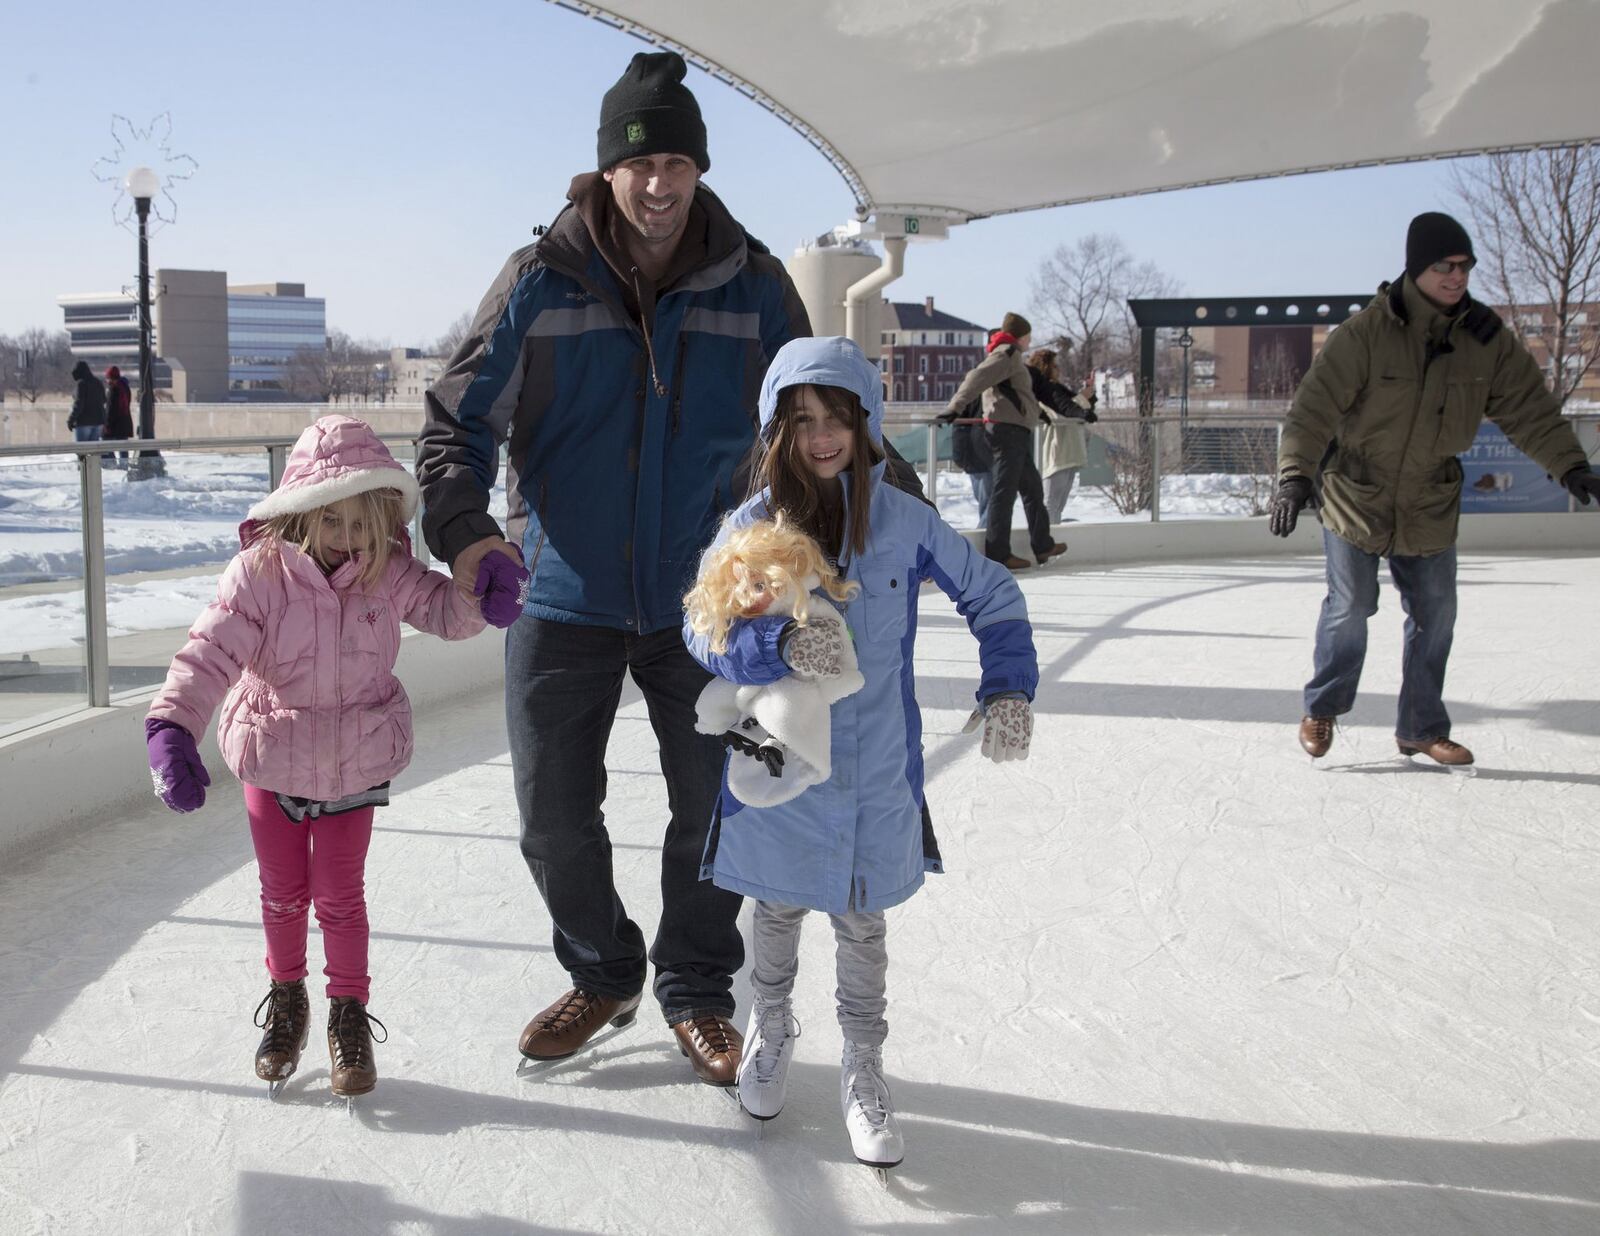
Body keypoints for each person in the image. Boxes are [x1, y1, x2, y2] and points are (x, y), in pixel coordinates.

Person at [415, 50, 811, 1087]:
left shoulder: (755, 284)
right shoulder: (539, 281)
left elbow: (818, 422)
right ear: (604, 172)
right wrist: (466, 533)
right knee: (551, 814)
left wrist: (880, 522)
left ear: (699, 169)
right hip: (561, 593)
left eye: (678, 159)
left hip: (709, 602)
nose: (659, 182)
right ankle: (601, 971)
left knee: (717, 803)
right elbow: (455, 424)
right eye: (640, 162)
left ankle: (694, 988)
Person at [684, 336, 1038, 1171]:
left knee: (860, 920)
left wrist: (1009, 685)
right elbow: (704, 628)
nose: (820, 436)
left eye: (836, 416)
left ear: (865, 421)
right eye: (801, 419)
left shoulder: (905, 523)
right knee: (774, 907)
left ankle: (863, 1069)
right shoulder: (752, 525)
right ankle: (769, 1034)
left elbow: (994, 594)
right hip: (778, 763)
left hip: (876, 770)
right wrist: (772, 652)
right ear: (778, 428)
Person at [143, 415, 501, 1097]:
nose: (347, 540)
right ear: (301, 512)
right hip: (272, 758)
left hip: (354, 761)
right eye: (332, 522)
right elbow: (210, 653)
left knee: (340, 898)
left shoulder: (386, 571)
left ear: (381, 523)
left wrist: (480, 592)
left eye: (362, 525)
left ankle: (348, 1013)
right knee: (282, 895)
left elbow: (444, 613)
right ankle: (287, 1000)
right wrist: (172, 724)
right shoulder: (258, 576)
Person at [1270, 211, 1599, 766]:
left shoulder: (1485, 339)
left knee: (1436, 615)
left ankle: (1420, 727)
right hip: (1356, 494)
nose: (1457, 276)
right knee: (1351, 608)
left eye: (1465, 266)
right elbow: (1312, 410)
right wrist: (1294, 477)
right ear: (1416, 267)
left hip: (1429, 498)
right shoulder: (1365, 334)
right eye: (1445, 266)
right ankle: (1322, 706)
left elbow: (1528, 409)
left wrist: (1570, 465)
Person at [942, 313, 1065, 570]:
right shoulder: (1006, 353)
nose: (1030, 341)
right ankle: (998, 552)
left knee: (1032, 489)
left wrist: (1037, 412)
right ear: (1021, 336)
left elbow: (1014, 393)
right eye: (1029, 336)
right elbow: (977, 378)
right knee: (1004, 491)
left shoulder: (1010, 355)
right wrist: (955, 407)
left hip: (1016, 430)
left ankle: (1043, 546)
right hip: (1006, 432)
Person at [1026, 349, 1098, 521]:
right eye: (1055, 365)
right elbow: (1060, 411)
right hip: (1056, 450)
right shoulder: (1043, 390)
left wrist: (1088, 395)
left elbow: (1080, 411)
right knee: (1050, 502)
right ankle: (1048, 538)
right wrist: (1083, 397)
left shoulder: (1058, 388)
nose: (1058, 369)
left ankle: (1054, 535)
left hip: (1069, 450)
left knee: (1059, 504)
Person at [66, 361, 105, 445]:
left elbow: (79, 404)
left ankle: (84, 459)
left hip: (83, 422)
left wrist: (71, 420)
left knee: (82, 452)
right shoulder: (98, 382)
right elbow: (104, 400)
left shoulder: (81, 384)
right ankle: (90, 459)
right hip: (98, 421)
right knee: (93, 453)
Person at [103, 365, 135, 466]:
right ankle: (124, 466)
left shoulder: (113, 389)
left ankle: (112, 466)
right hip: (125, 422)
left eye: (107, 378)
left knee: (106, 444)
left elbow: (110, 409)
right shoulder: (125, 387)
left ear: (111, 378)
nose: (107, 381)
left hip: (115, 424)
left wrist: (106, 425)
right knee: (123, 448)